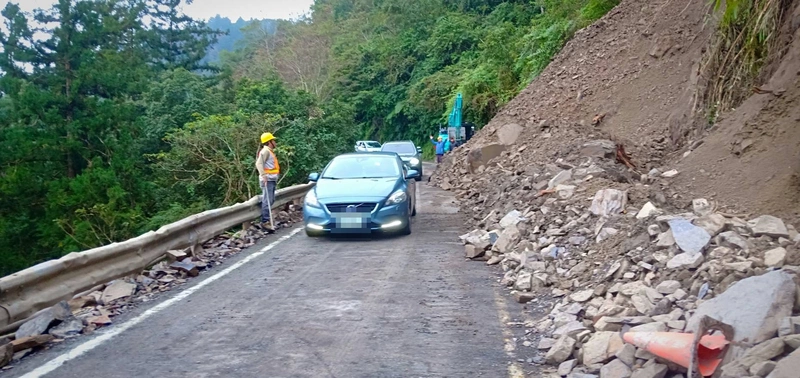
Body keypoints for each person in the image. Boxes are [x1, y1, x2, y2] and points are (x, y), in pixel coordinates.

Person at [256, 132, 280, 232]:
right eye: (273, 140)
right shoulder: (265, 151)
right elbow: (259, 163)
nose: (275, 142)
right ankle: (265, 222)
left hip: (272, 179)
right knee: (267, 200)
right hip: (267, 180)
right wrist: (263, 175)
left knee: (271, 200)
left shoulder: (269, 151)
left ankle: (267, 221)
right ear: (269, 142)